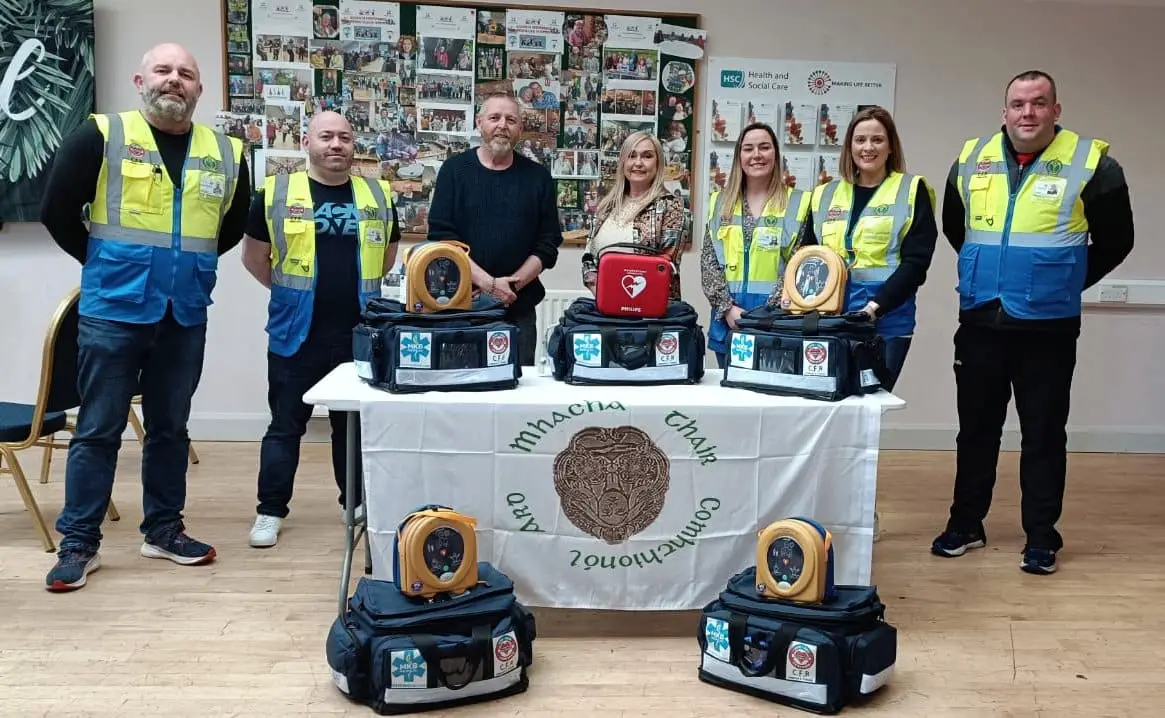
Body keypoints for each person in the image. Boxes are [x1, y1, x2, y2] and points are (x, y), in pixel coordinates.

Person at [39, 43, 251, 591]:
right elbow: (57, 210)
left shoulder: (228, 151)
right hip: (114, 309)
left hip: (184, 311)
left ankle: (162, 530)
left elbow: (227, 229)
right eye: (163, 69)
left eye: (186, 72)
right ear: (140, 80)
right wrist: (105, 262)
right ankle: (79, 543)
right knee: (98, 429)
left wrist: (184, 266)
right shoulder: (102, 134)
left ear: (199, 89)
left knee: (170, 429)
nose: (174, 80)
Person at [932, 70, 1134, 575]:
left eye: (1039, 103)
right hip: (980, 318)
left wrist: (1060, 279)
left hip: (1047, 327)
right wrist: (994, 274)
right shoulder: (970, 160)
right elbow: (958, 228)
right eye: (1018, 104)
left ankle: (1042, 536)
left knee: (1044, 433)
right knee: (975, 430)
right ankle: (965, 524)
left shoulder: (1094, 166)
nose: (1028, 113)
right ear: (1004, 112)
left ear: (1055, 111)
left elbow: (1117, 240)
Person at [241, 111, 400, 548]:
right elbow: (254, 257)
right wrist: (295, 294)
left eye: (344, 137)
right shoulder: (275, 192)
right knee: (285, 424)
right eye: (326, 136)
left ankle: (356, 504)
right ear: (306, 142)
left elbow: (387, 257)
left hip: (360, 333)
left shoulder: (378, 194)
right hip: (297, 330)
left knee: (351, 425)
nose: (336, 145)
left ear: (354, 146)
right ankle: (270, 511)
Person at [800, 106, 938, 391]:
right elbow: (807, 257)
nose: (868, 147)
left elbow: (916, 262)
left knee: (871, 402)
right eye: (860, 140)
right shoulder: (824, 195)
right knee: (826, 401)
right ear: (849, 146)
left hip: (886, 319)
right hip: (831, 319)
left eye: (877, 140)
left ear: (890, 147)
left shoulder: (911, 190)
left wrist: (875, 308)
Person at [426, 92, 564, 365]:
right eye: (495, 117)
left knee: (515, 396)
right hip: (461, 305)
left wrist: (510, 286)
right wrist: (489, 285)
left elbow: (548, 243)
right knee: (462, 386)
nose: (503, 125)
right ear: (480, 123)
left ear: (520, 129)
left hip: (519, 308)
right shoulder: (454, 171)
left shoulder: (538, 178)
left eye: (511, 119)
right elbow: (441, 238)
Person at [700, 122, 810, 368]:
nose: (756, 155)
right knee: (734, 400)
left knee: (773, 395)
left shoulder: (799, 203)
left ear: (776, 154)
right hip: (729, 319)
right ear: (739, 156)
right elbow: (709, 262)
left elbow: (800, 263)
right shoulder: (719, 202)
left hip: (777, 319)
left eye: (764, 147)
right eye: (748, 149)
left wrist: (766, 313)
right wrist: (727, 308)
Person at [581, 131, 688, 299]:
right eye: (632, 156)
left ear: (658, 163)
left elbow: (666, 265)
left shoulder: (671, 206)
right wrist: (600, 291)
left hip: (652, 315)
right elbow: (588, 257)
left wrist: (626, 297)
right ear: (623, 161)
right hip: (606, 307)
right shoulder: (606, 206)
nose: (638, 163)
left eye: (647, 156)